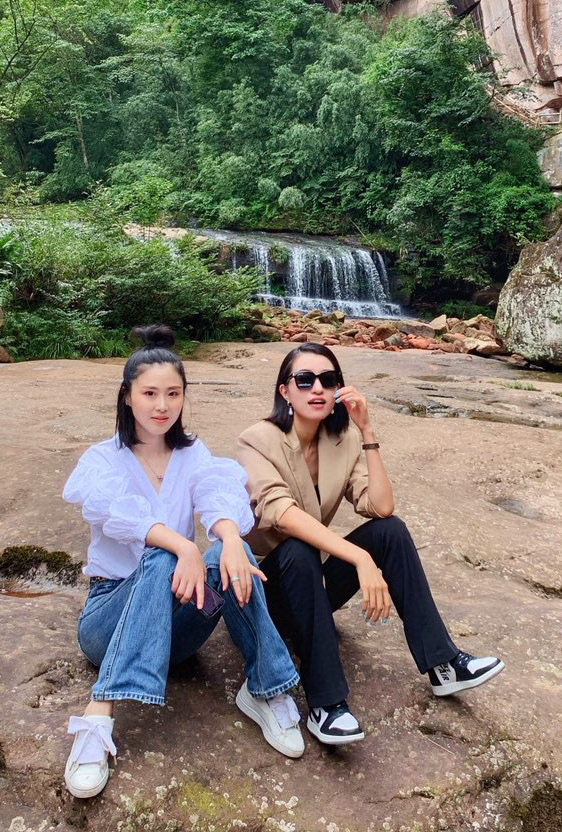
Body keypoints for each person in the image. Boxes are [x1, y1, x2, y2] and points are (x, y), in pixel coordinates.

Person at [61, 325, 304, 800]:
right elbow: (123, 517)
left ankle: (264, 689)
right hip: (109, 622)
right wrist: (185, 547)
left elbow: (217, 493)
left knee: (235, 553)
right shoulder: (102, 460)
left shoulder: (192, 454)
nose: (162, 405)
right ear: (127, 396)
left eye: (173, 394)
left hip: (176, 631)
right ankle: (99, 713)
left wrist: (229, 539)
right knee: (161, 554)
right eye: (149, 393)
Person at [236, 342, 504, 745]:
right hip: (265, 595)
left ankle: (444, 664)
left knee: (390, 530)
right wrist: (360, 559)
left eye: (328, 380)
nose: (317, 389)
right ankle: (326, 705)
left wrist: (367, 432)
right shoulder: (257, 440)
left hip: (312, 592)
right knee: (298, 546)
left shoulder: (341, 440)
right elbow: (281, 514)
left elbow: (380, 507)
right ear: (284, 391)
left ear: (339, 389)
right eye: (305, 380)